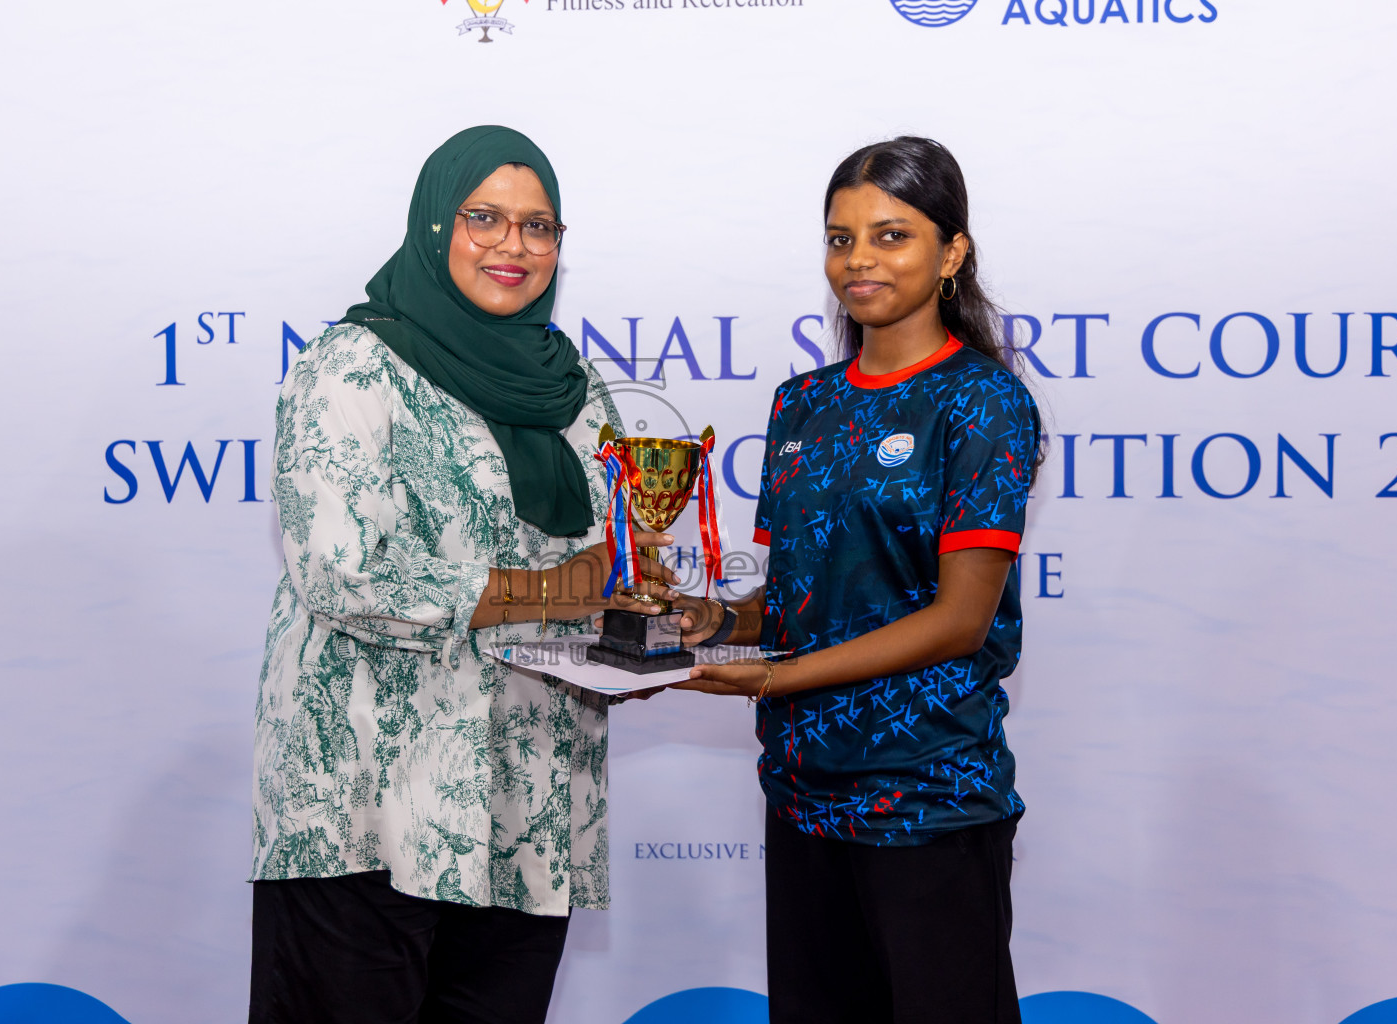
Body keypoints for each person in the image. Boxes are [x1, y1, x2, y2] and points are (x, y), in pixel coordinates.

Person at [248, 125, 676, 1024]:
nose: (513, 246)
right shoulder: (354, 365)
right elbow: (345, 575)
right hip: (368, 805)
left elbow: (607, 563)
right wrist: (554, 591)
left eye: (539, 226)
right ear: (435, 223)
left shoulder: (575, 388)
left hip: (525, 801)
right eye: (484, 217)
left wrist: (638, 607)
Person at [674, 136, 1043, 1024]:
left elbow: (960, 620)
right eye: (841, 239)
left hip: (928, 798)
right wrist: (711, 623)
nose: (860, 261)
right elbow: (799, 600)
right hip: (803, 796)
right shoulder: (802, 403)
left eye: (891, 236)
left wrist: (776, 677)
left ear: (952, 252)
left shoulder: (983, 401)